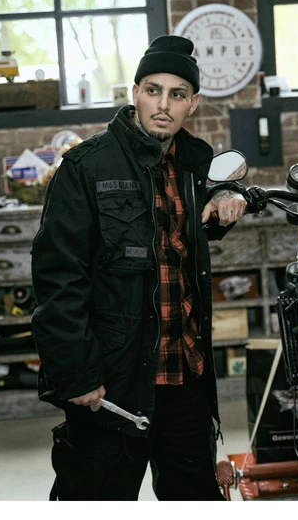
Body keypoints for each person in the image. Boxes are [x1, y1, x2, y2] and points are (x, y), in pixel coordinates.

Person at [31, 34, 248, 501]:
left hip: (186, 376)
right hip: (115, 382)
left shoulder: (196, 162)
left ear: (193, 103)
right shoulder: (86, 167)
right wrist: (77, 374)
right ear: (135, 93)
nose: (163, 105)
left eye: (177, 94)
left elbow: (190, 225)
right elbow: (57, 280)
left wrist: (227, 195)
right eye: (153, 90)